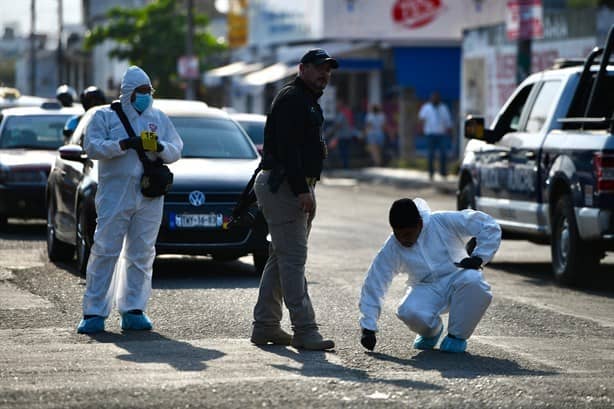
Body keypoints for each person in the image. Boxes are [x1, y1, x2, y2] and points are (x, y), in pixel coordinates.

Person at [76, 66, 184, 334]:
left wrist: (158, 147)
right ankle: (94, 312)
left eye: (149, 91)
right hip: (115, 196)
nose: (146, 96)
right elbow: (91, 147)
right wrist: (123, 145)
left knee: (142, 253)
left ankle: (134, 309)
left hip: (149, 195)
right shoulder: (104, 116)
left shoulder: (157, 117)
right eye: (141, 91)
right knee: (105, 250)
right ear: (127, 93)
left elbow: (176, 149)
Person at [251, 48, 338, 350]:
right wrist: (302, 189)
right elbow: (288, 150)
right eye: (318, 68)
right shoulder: (292, 99)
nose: (324, 74)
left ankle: (265, 326)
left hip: (295, 187)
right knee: (293, 262)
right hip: (285, 187)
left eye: (328, 69)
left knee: (281, 258)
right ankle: (305, 329)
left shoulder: (307, 101)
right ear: (302, 69)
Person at [358, 198, 501, 353]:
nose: (403, 240)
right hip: (425, 288)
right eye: (398, 235)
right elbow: (375, 282)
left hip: (458, 278)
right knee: (408, 311)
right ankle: (431, 332)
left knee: (474, 280)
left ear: (419, 223)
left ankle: (456, 337)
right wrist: (368, 327)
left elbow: (488, 225)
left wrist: (480, 257)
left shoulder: (442, 221)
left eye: (407, 234)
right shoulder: (393, 245)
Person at [418, 91, 453, 180]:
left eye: (437, 98)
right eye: (434, 97)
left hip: (441, 134)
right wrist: (422, 129)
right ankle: (431, 172)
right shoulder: (426, 108)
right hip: (430, 133)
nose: (435, 99)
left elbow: (447, 121)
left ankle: (443, 172)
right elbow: (422, 119)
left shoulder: (443, 108)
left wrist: (450, 130)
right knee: (431, 154)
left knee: (443, 154)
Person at [330, 99, 354, 169]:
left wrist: (330, 132)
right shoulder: (341, 114)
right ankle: (345, 165)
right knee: (344, 151)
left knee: (344, 151)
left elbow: (338, 125)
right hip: (344, 136)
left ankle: (345, 166)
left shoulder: (341, 114)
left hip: (344, 136)